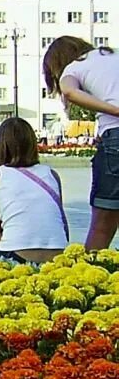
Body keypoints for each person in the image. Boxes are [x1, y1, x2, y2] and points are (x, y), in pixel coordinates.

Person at [44, 35, 119, 250]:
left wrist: (114, 110)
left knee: (102, 220)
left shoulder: (73, 68)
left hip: (115, 137)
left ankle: (88, 273)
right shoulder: (111, 54)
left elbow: (69, 91)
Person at [0, 117, 68, 263]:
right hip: (57, 256)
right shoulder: (51, 174)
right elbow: (62, 224)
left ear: (0, 146)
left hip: (18, 257)